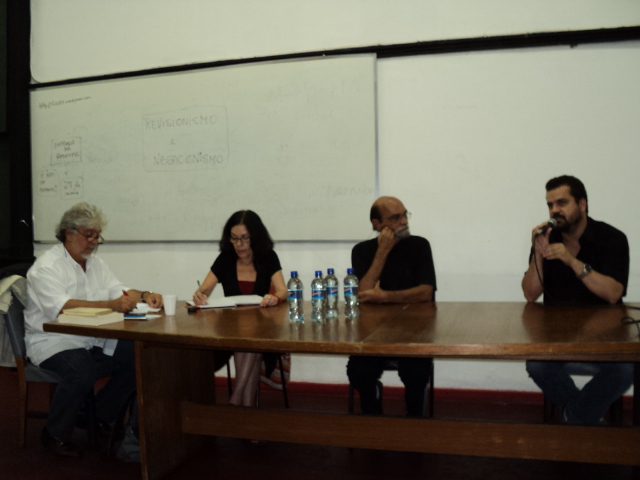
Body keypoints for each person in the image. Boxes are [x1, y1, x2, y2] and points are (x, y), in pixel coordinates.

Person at [24, 202, 164, 457]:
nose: (93, 242)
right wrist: (111, 305)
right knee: (81, 371)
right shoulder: (46, 268)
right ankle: (54, 434)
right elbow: (62, 308)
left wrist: (145, 294)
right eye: (88, 235)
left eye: (97, 236)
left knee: (138, 357)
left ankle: (97, 415)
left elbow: (120, 291)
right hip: (54, 340)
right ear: (69, 233)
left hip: (91, 338)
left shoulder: (95, 263)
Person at [521, 175, 633, 424]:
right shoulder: (548, 237)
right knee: (536, 365)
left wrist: (571, 260)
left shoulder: (612, 238)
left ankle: (573, 417)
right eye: (550, 205)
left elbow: (614, 293)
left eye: (562, 203)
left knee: (625, 370)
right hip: (558, 341)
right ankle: (582, 417)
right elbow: (530, 294)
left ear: (582, 204)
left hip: (604, 341)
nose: (554, 210)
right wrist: (538, 253)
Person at [347, 196, 436, 416]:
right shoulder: (361, 250)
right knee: (358, 372)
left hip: (414, 330)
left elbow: (426, 292)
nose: (404, 221)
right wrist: (382, 252)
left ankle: (414, 418)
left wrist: (384, 297)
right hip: (373, 332)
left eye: (405, 215)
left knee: (416, 372)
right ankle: (373, 417)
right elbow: (364, 293)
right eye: (395, 218)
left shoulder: (419, 245)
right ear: (377, 224)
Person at [193, 210, 287, 407]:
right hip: (231, 330)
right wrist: (200, 294)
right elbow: (205, 288)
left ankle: (236, 401)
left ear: (256, 237)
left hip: (263, 329)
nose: (239, 244)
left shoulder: (267, 257)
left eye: (245, 238)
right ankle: (245, 409)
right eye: (234, 238)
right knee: (247, 342)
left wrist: (274, 297)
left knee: (252, 342)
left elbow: (282, 290)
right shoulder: (226, 258)